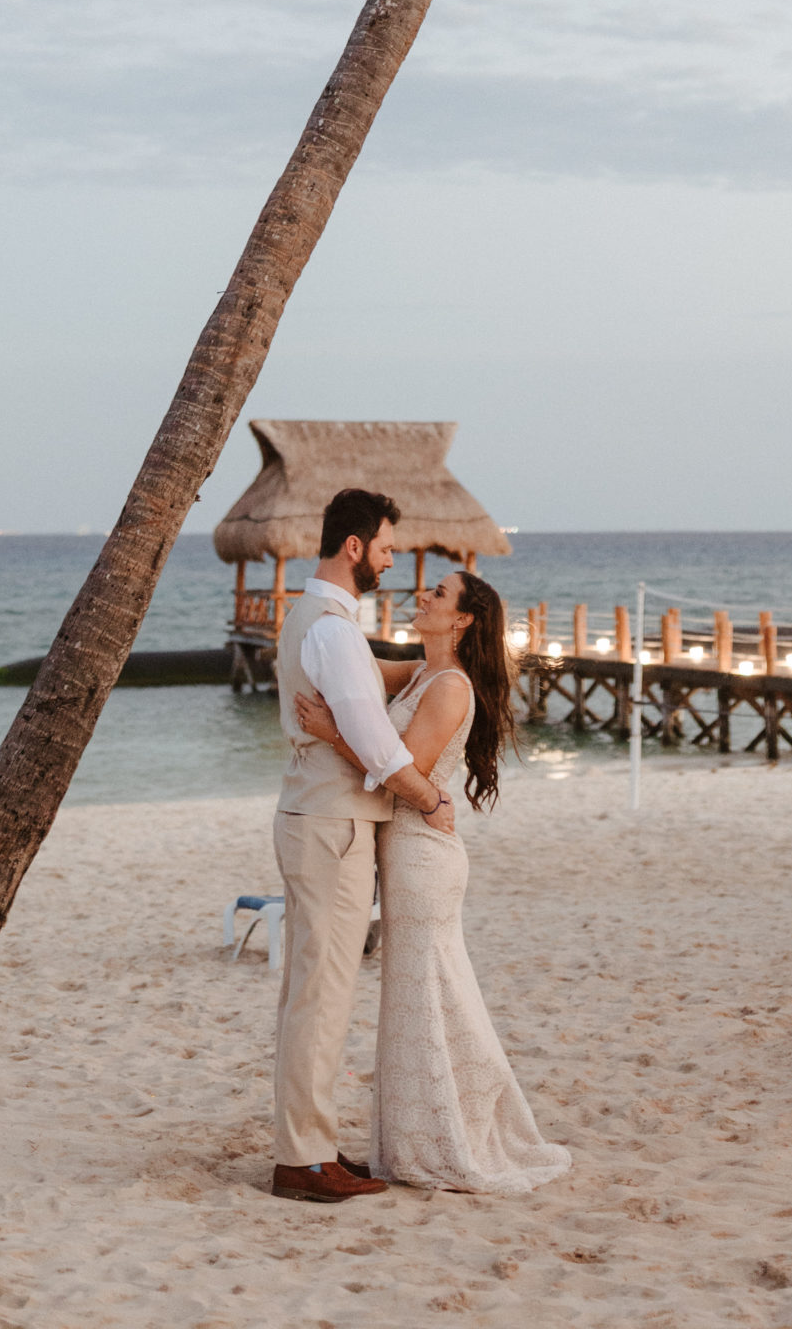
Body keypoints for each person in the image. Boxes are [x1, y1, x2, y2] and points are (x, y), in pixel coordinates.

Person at [297, 566, 570, 1196]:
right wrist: (319, 618)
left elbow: (403, 769)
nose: (423, 594)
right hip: (408, 850)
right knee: (416, 999)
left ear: (464, 619)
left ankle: (454, 1137)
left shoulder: (448, 686)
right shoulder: (420, 672)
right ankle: (421, 1137)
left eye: (439, 594)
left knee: (428, 996)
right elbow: (353, 669)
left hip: (423, 858)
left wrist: (327, 733)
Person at [270, 487, 456, 1206]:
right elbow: (374, 739)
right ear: (354, 547)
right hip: (332, 823)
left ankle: (309, 1144)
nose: (390, 559)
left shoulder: (321, 617)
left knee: (310, 991)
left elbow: (373, 682)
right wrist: (428, 798)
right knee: (321, 994)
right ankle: (303, 1160)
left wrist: (437, 665)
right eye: (384, 548)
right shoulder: (334, 629)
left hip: (313, 815)